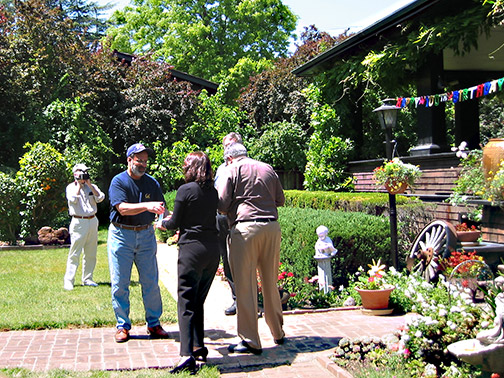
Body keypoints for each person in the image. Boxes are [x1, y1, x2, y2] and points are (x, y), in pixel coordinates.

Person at [218, 143, 286, 355]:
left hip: (245, 229)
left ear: (229, 158)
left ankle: (250, 340)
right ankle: (278, 332)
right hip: (271, 227)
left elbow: (221, 204)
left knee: (245, 286)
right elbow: (280, 200)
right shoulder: (267, 168)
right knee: (270, 282)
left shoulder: (231, 170)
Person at [157, 152, 219, 374]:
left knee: (185, 301)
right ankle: (198, 345)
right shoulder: (213, 191)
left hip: (191, 250)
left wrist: (162, 222)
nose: (183, 167)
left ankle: (185, 356)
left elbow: (174, 223)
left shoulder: (185, 190)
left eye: (185, 164)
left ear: (192, 167)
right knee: (198, 300)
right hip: (212, 250)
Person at [107, 143, 169, 343]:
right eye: (138, 160)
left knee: (150, 282)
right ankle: (122, 326)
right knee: (120, 283)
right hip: (121, 235)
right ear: (129, 160)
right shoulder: (119, 181)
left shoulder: (152, 183)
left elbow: (161, 208)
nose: (142, 164)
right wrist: (146, 206)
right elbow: (122, 208)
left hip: (146, 236)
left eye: (145, 161)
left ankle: (154, 323)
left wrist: (168, 219)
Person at [63, 164, 105, 291]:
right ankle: (69, 280)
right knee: (75, 252)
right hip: (78, 221)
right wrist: (79, 186)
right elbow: (73, 200)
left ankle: (88, 278)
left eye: (86, 172)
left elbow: (100, 198)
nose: (84, 175)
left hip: (92, 220)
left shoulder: (91, 186)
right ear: (75, 174)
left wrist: (90, 185)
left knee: (91, 252)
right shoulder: (71, 187)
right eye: (82, 172)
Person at [214, 132, 242, 316]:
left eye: (231, 145)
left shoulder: (246, 167)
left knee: (242, 258)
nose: (228, 148)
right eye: (225, 145)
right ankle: (236, 299)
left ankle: (249, 301)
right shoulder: (220, 169)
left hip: (238, 218)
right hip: (221, 218)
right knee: (226, 259)